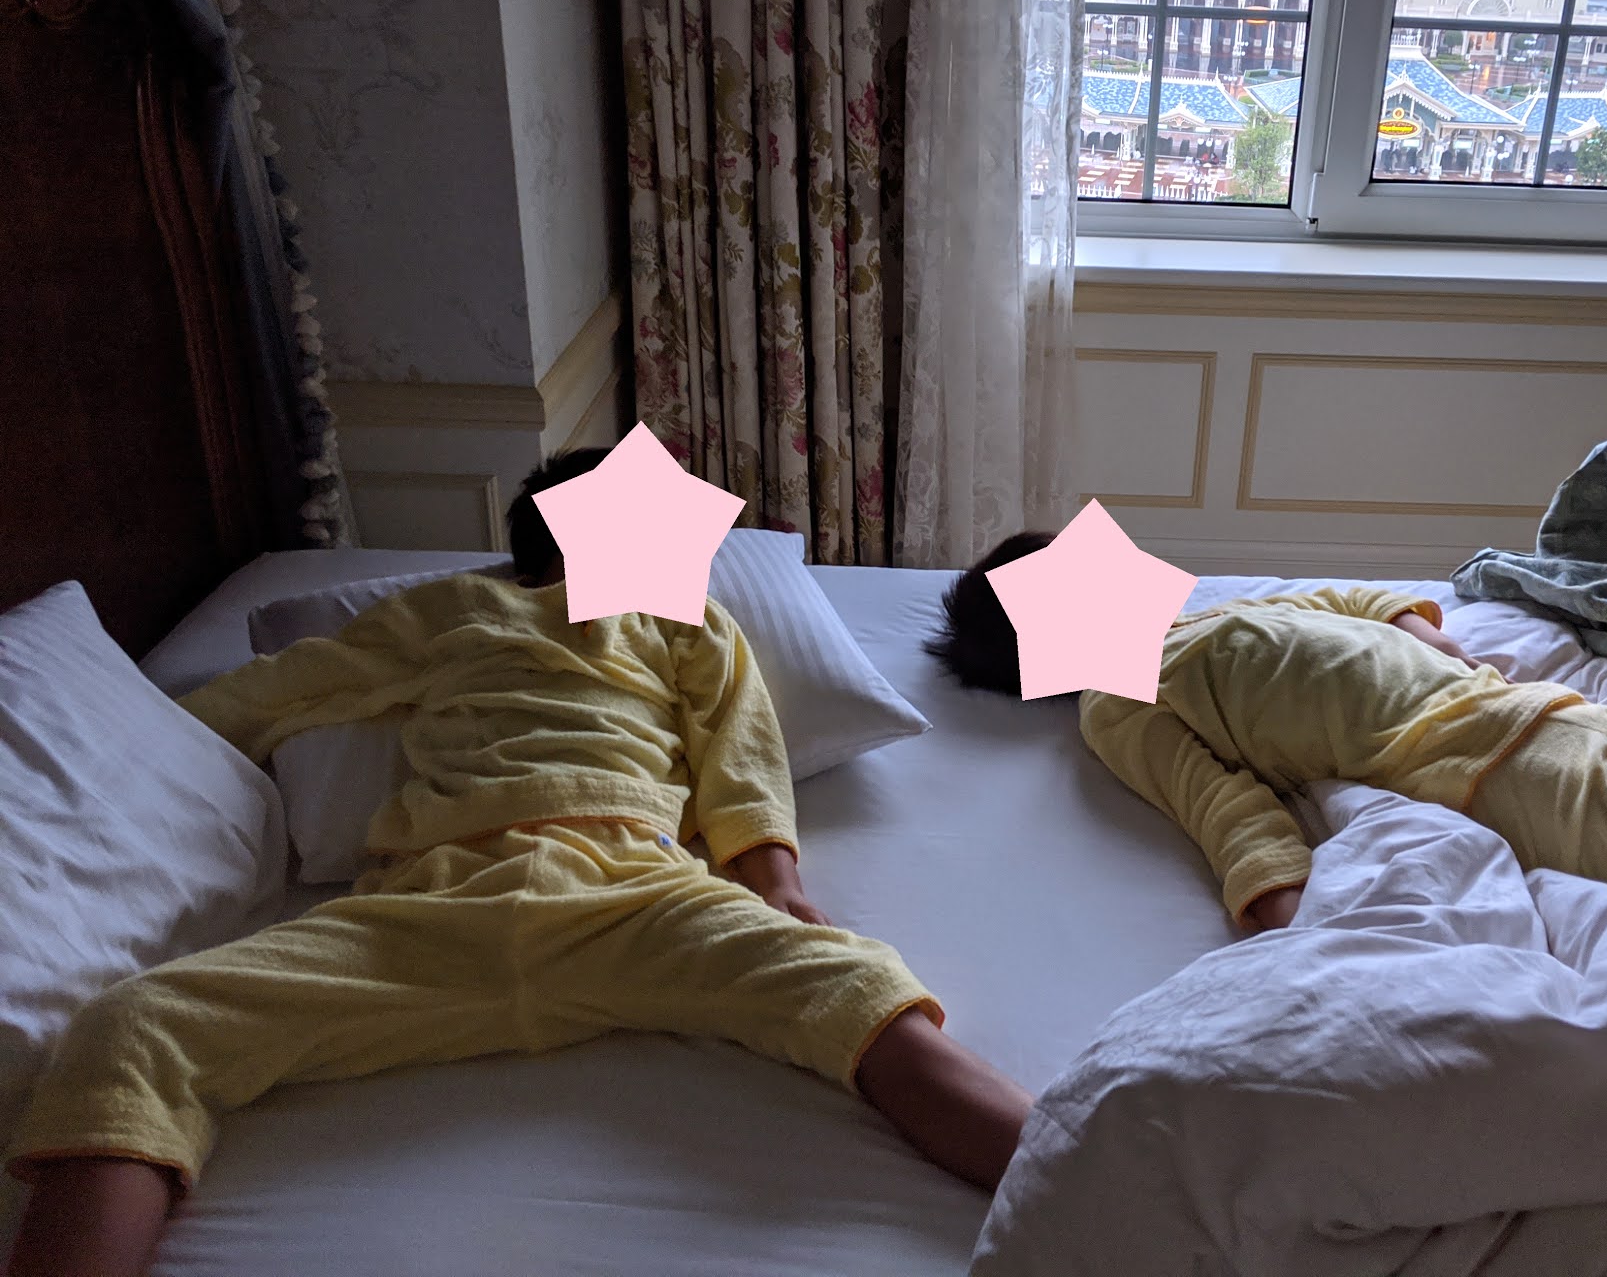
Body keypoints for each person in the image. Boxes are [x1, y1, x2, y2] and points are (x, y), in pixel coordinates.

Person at [6, 451, 1031, 1277]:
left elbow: (742, 753)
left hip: (635, 891)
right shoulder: (452, 610)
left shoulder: (686, 624)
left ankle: (1071, 1174)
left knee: (859, 989)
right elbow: (293, 686)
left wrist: (776, 888)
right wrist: (134, 735)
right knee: (134, 1027)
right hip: (435, 903)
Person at [928, 532, 1607, 1056]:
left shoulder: (1225, 611)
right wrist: (1283, 916)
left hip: (1566, 720)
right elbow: (1223, 811)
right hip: (1502, 776)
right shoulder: (1120, 703)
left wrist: (1434, 637)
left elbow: (1358, 599)